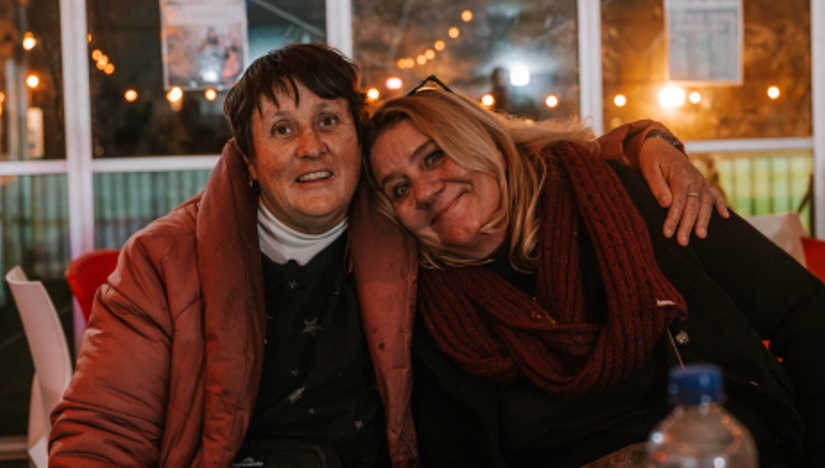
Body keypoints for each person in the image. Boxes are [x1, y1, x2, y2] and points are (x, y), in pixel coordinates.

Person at [49, 44, 724, 467]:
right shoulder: (165, 260)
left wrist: (644, 141)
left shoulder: (409, 219)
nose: (310, 146)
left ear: (356, 139)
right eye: (282, 130)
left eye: (328, 121)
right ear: (249, 162)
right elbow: (102, 428)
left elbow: (529, 161)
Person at [362, 78, 825, 466]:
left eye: (433, 156)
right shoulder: (429, 314)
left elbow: (806, 314)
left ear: (483, 140)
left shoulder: (631, 198)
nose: (423, 190)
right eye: (399, 188)